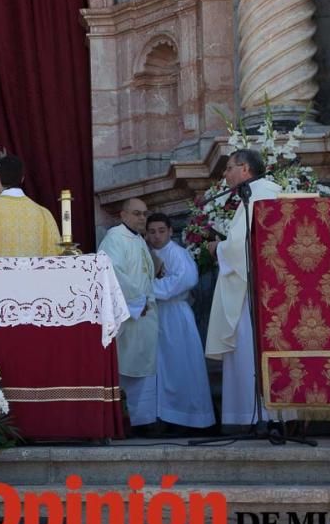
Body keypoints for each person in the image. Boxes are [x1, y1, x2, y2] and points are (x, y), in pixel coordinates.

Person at [205, 149, 294, 426]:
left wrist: (216, 248)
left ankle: (258, 417)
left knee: (248, 348)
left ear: (244, 169)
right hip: (269, 287)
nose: (225, 174)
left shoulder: (257, 195)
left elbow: (240, 247)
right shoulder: (266, 192)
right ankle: (269, 415)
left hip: (254, 291)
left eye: (229, 168)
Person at [142, 213, 215, 430]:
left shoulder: (178, 253)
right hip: (154, 315)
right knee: (161, 368)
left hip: (175, 315)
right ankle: (162, 417)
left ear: (170, 231)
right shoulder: (144, 253)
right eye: (152, 232)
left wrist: (147, 290)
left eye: (161, 231)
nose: (157, 236)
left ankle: (190, 419)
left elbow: (186, 279)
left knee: (182, 366)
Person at [97, 198, 160, 429]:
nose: (142, 218)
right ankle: (128, 420)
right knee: (126, 367)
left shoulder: (139, 240)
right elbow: (112, 273)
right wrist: (136, 301)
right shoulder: (115, 238)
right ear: (123, 215)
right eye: (136, 214)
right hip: (130, 314)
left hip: (145, 314)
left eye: (144, 214)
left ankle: (145, 420)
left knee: (144, 368)